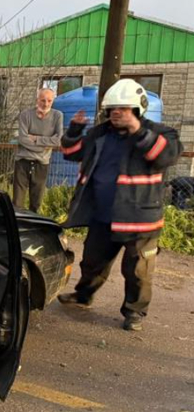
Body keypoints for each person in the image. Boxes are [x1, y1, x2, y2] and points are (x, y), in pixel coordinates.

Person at [57, 79, 181, 331]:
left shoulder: (160, 132)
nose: (116, 113)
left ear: (138, 109)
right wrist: (74, 130)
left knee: (138, 271)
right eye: (112, 109)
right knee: (92, 261)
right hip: (103, 216)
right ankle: (83, 295)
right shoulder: (100, 134)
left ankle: (134, 312)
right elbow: (71, 153)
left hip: (140, 220)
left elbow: (166, 157)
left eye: (123, 109)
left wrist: (137, 130)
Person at [13, 88, 63, 212]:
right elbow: (23, 139)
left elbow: (58, 140)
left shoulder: (57, 116)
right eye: (42, 100)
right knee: (17, 203)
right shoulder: (25, 115)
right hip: (22, 162)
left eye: (49, 101)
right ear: (37, 100)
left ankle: (33, 229)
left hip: (41, 164)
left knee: (36, 203)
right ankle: (17, 227)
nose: (45, 104)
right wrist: (44, 145)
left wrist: (36, 138)